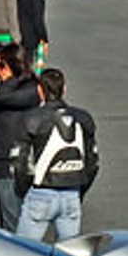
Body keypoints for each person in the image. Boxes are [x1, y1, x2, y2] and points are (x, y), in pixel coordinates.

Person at [12, 68, 97, 243]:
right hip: (71, 193)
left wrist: (23, 190)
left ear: (39, 90)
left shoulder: (31, 119)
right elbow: (93, 162)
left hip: (41, 192)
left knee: (24, 253)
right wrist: (80, 187)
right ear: (64, 88)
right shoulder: (83, 118)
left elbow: (20, 162)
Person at [0, 43, 39, 232]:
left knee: (12, 222)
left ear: (14, 65)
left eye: (1, 66)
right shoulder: (29, 89)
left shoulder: (12, 93)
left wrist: (9, 80)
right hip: (15, 164)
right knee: (21, 220)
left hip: (10, 166)